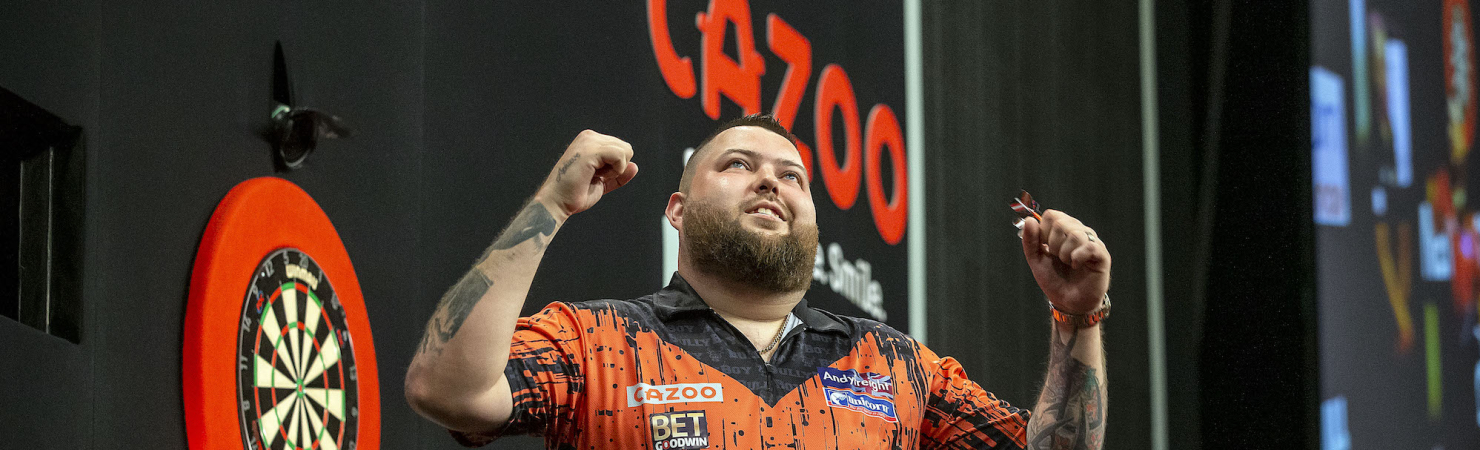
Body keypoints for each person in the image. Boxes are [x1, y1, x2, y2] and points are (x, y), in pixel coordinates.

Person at [405, 114, 1109, 449]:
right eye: (738, 165)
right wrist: (550, 207)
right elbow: (448, 391)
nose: (771, 178)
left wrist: (1077, 319)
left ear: (812, 223)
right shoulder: (599, 341)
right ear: (676, 210)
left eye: (793, 176)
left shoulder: (894, 364)